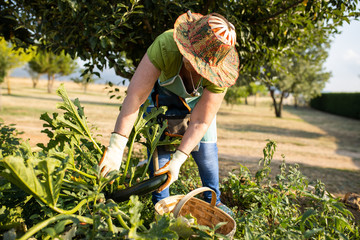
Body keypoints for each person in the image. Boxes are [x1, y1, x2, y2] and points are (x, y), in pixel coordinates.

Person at [99, 10, 239, 215]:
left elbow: (200, 122)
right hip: (161, 99)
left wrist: (180, 159)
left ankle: (213, 203)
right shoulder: (165, 45)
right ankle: (162, 211)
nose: (193, 66)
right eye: (191, 58)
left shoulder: (220, 72)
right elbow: (136, 96)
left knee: (207, 156)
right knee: (161, 163)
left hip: (198, 107)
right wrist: (116, 147)